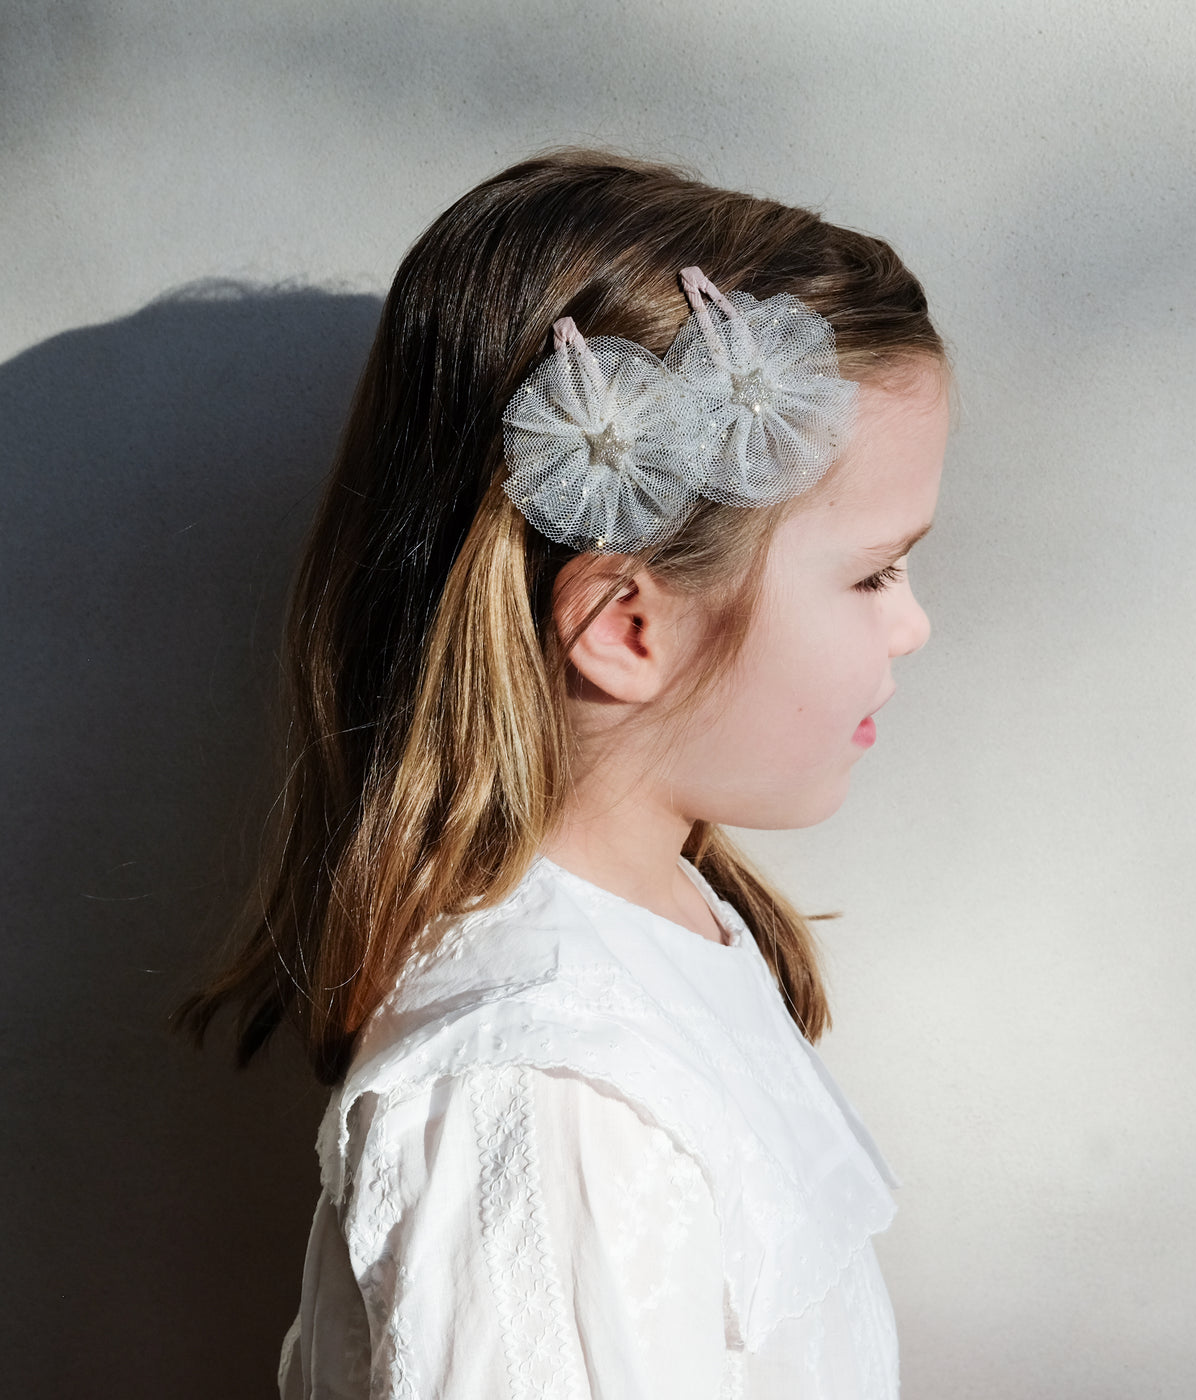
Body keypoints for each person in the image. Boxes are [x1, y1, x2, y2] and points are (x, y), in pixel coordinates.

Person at [177, 147, 950, 1399]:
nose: (910, 624)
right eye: (872, 572)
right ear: (627, 627)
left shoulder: (662, 937)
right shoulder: (544, 1088)